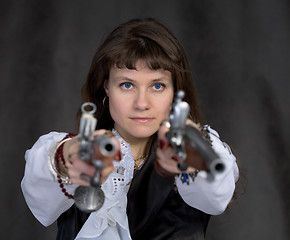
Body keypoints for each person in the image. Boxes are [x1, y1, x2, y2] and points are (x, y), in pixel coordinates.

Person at [21, 18, 239, 240]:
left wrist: (193, 153)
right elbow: (41, 198)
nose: (142, 103)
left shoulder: (199, 150)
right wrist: (68, 158)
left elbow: (216, 196)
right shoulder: (69, 150)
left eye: (157, 86)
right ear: (107, 87)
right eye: (127, 85)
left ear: (175, 92)